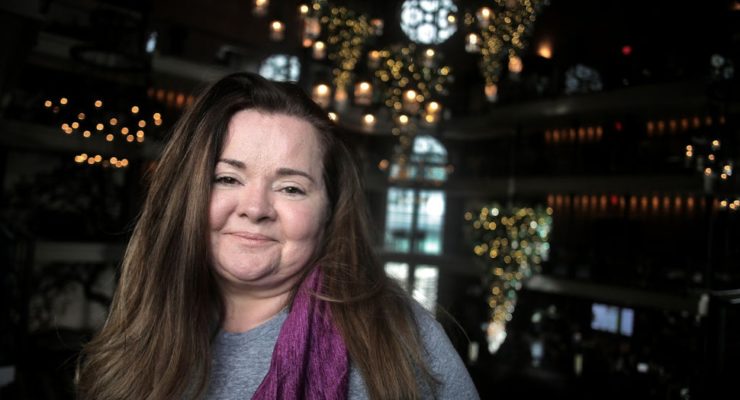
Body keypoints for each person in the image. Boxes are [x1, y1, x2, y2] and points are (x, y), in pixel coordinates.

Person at [75, 72, 479, 400]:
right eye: (227, 178)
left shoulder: (397, 335)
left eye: (291, 188)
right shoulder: (143, 326)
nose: (255, 208)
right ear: (187, 194)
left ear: (329, 211)